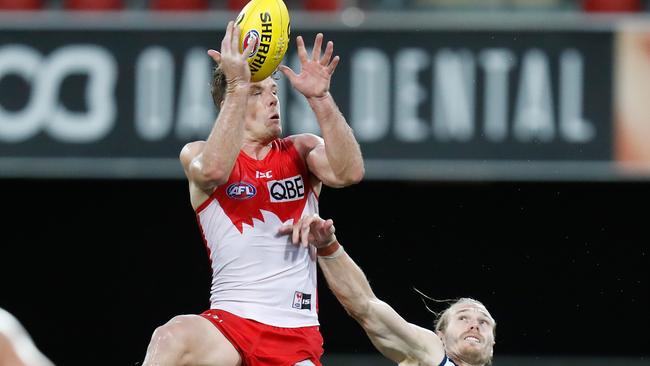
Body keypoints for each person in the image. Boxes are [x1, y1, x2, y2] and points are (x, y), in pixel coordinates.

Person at [141, 20, 364, 366]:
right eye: (258, 92)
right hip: (230, 324)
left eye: (273, 89)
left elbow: (349, 172)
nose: (273, 97)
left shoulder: (301, 150)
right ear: (232, 99)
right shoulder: (197, 153)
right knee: (171, 337)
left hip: (294, 330)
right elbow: (213, 171)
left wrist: (320, 98)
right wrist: (237, 86)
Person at [279, 214, 496, 366]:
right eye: (463, 318)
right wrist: (328, 247)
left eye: (484, 322)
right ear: (441, 336)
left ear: (493, 342)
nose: (474, 325)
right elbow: (366, 307)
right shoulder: (430, 353)